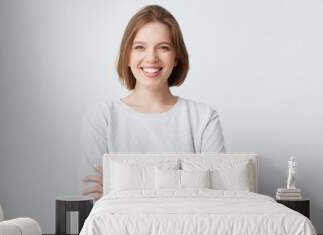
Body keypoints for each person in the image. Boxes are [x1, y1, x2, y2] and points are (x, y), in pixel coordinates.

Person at [79, 5, 225, 200]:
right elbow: (94, 198)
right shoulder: (101, 117)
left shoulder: (204, 118)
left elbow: (216, 195)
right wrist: (187, 183)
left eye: (163, 48)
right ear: (127, 56)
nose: (151, 58)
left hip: (189, 229)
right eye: (139, 47)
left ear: (176, 58)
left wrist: (124, 186)